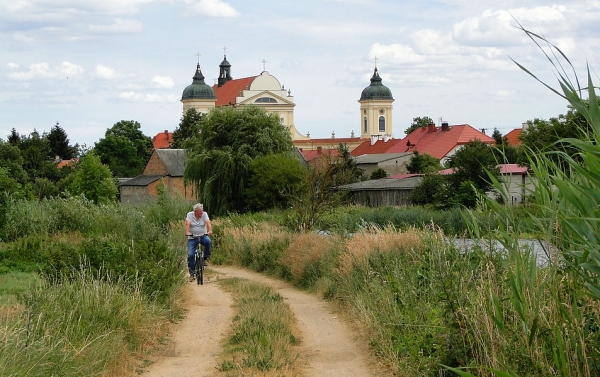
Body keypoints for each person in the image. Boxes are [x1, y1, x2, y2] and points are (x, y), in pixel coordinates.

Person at [185, 203, 213, 280]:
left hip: (203, 235)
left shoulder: (204, 214)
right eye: (200, 211)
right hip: (192, 237)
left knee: (208, 242)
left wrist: (210, 230)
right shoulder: (190, 215)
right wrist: (187, 232)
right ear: (195, 212)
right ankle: (192, 274)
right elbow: (187, 224)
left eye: (202, 211)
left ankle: (204, 258)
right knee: (190, 255)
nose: (202, 212)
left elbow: (208, 222)